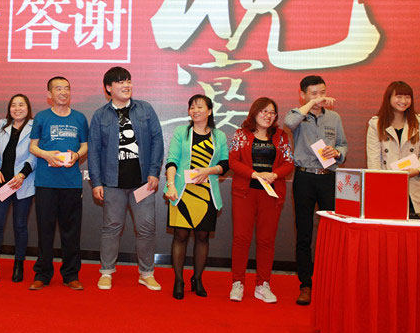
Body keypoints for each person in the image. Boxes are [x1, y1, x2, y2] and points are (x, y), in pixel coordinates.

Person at [88, 67, 164, 291]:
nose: (126, 85)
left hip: (142, 182)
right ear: (108, 88)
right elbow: (93, 151)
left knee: (146, 228)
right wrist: (97, 182)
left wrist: (154, 171)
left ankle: (146, 273)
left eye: (128, 81)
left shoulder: (145, 109)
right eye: (120, 82)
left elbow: (157, 140)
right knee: (111, 228)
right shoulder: (100, 115)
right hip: (112, 183)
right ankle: (106, 272)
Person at [284, 75, 347, 306]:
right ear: (302, 95)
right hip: (304, 177)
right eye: (314, 93)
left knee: (331, 232)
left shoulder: (334, 117)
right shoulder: (298, 115)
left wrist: (337, 153)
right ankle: (305, 285)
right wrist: (311, 103)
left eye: (322, 92)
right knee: (304, 233)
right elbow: (289, 123)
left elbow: (343, 144)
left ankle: (330, 282)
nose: (320, 97)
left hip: (328, 177)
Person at [228, 97, 294, 303]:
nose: (268, 116)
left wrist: (274, 175)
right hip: (245, 193)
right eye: (264, 111)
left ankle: (262, 284)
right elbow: (233, 161)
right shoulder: (241, 134)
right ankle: (237, 283)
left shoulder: (281, 136)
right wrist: (254, 174)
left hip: (271, 194)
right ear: (255, 112)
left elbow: (289, 163)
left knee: (266, 240)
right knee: (241, 238)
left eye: (272, 112)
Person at [164, 94, 229, 300]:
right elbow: (172, 161)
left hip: (206, 193)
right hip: (182, 191)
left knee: (202, 237)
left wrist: (208, 171)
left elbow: (225, 164)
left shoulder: (219, 136)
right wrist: (171, 185)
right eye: (192, 107)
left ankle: (197, 279)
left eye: (200, 107)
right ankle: (178, 280)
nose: (195, 110)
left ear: (209, 111)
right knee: (180, 236)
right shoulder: (181, 132)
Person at [28, 76, 89, 291]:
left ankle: (71, 274)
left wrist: (77, 155)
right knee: (45, 230)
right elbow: (33, 147)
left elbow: (85, 146)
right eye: (58, 89)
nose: (63, 92)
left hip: (71, 183)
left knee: (71, 231)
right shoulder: (42, 117)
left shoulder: (79, 118)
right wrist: (46, 155)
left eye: (67, 88)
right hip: (46, 182)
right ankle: (42, 274)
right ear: (49, 94)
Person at [0, 94, 36, 283]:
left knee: (20, 226)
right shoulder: (2, 124)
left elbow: (34, 154)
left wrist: (22, 175)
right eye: (13, 105)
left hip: (22, 182)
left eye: (21, 105)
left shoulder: (34, 126)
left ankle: (19, 265)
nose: (17, 108)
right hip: (1, 182)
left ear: (28, 108)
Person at [366, 81, 420, 215]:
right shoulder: (376, 124)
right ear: (389, 98)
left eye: (407, 97)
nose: (403, 101)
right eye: (399, 97)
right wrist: (379, 185)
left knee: (419, 226)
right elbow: (373, 160)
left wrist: (417, 170)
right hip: (387, 185)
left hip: (415, 185)